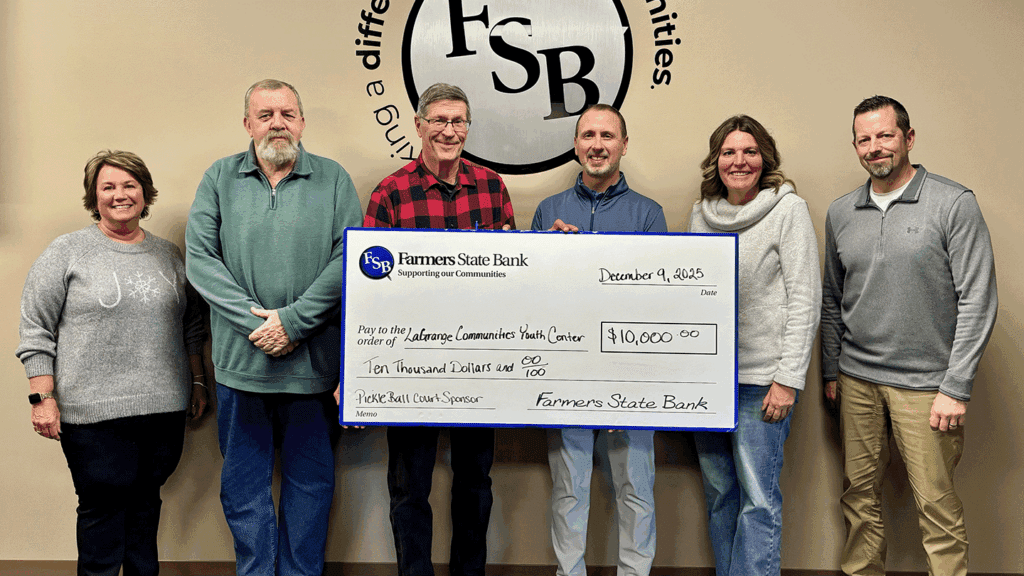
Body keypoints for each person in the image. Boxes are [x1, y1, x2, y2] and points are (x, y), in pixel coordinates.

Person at [185, 79, 363, 576]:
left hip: (313, 365)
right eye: (264, 115)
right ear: (247, 125)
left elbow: (348, 257)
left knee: (311, 484)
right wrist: (256, 324)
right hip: (241, 367)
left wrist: (294, 322)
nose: (277, 123)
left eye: (286, 113)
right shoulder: (219, 178)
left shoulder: (333, 179)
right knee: (243, 485)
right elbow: (201, 261)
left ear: (302, 122)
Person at [822, 96, 997, 576]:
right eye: (864, 139)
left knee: (937, 508)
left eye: (885, 135)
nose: (874, 147)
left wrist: (955, 387)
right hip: (857, 380)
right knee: (858, 498)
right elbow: (833, 300)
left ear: (908, 138)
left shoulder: (953, 203)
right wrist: (830, 371)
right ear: (855, 146)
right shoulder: (841, 213)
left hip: (928, 387)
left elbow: (977, 300)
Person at [16, 150, 207, 576]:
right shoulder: (67, 251)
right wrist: (42, 397)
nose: (120, 195)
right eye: (108, 187)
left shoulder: (169, 255)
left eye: (129, 185)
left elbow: (192, 324)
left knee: (145, 512)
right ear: (94, 196)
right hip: (92, 415)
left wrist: (198, 382)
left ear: (145, 192)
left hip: (163, 411)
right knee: (101, 516)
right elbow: (35, 329)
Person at [363, 82, 515, 576]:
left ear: (467, 127)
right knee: (410, 487)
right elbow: (370, 292)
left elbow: (513, 275)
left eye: (458, 122)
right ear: (419, 126)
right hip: (411, 366)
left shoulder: (492, 188)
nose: (449, 131)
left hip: (480, 362)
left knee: (475, 482)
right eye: (439, 121)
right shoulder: (390, 193)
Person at [531, 104, 666, 576]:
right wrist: (552, 256)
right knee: (569, 489)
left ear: (623, 145)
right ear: (575, 146)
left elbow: (656, 297)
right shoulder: (550, 211)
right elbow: (531, 295)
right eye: (588, 135)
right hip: (566, 371)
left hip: (630, 374)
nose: (597, 144)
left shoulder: (649, 213)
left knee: (636, 487)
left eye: (607, 135)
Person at [687, 115, 821, 576]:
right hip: (711, 386)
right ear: (715, 160)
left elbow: (806, 300)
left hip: (762, 385)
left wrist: (788, 379)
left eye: (748, 151)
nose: (738, 161)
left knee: (758, 502)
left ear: (764, 158)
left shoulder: (788, 210)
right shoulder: (700, 214)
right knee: (722, 495)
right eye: (728, 152)